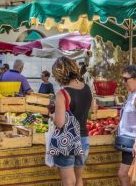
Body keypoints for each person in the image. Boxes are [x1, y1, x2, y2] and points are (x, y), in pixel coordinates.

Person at [50, 57, 94, 186]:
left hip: (67, 140)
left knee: (68, 181)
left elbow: (60, 123)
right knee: (78, 179)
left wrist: (52, 115)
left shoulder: (62, 94)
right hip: (84, 137)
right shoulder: (87, 88)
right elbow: (92, 110)